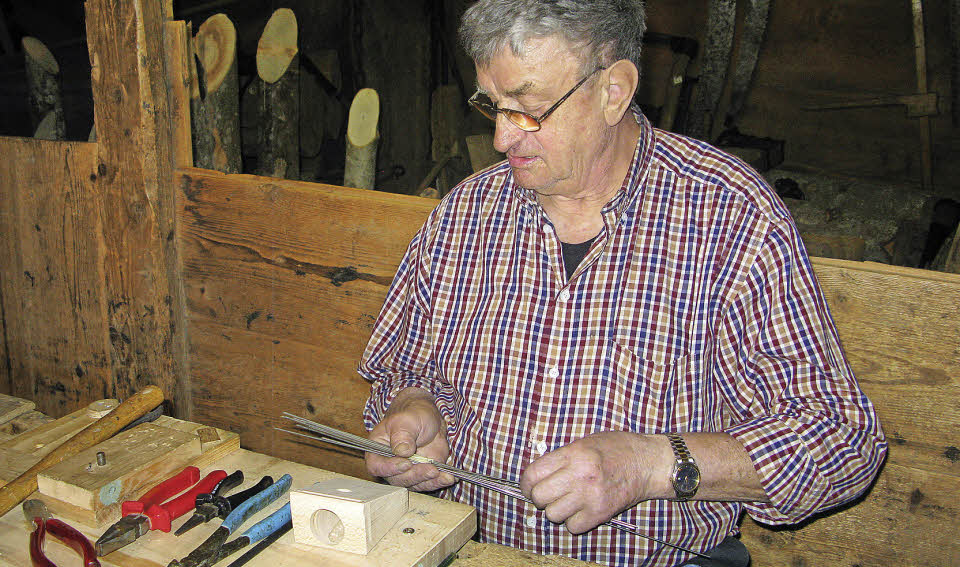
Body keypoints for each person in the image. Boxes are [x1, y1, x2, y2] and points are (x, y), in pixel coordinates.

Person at [358, 1, 887, 566]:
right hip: (474, 551)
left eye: (529, 111)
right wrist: (417, 410)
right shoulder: (467, 213)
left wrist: (650, 464)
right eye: (492, 105)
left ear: (614, 91)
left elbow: (839, 440)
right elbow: (404, 370)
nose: (502, 139)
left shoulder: (729, 216)